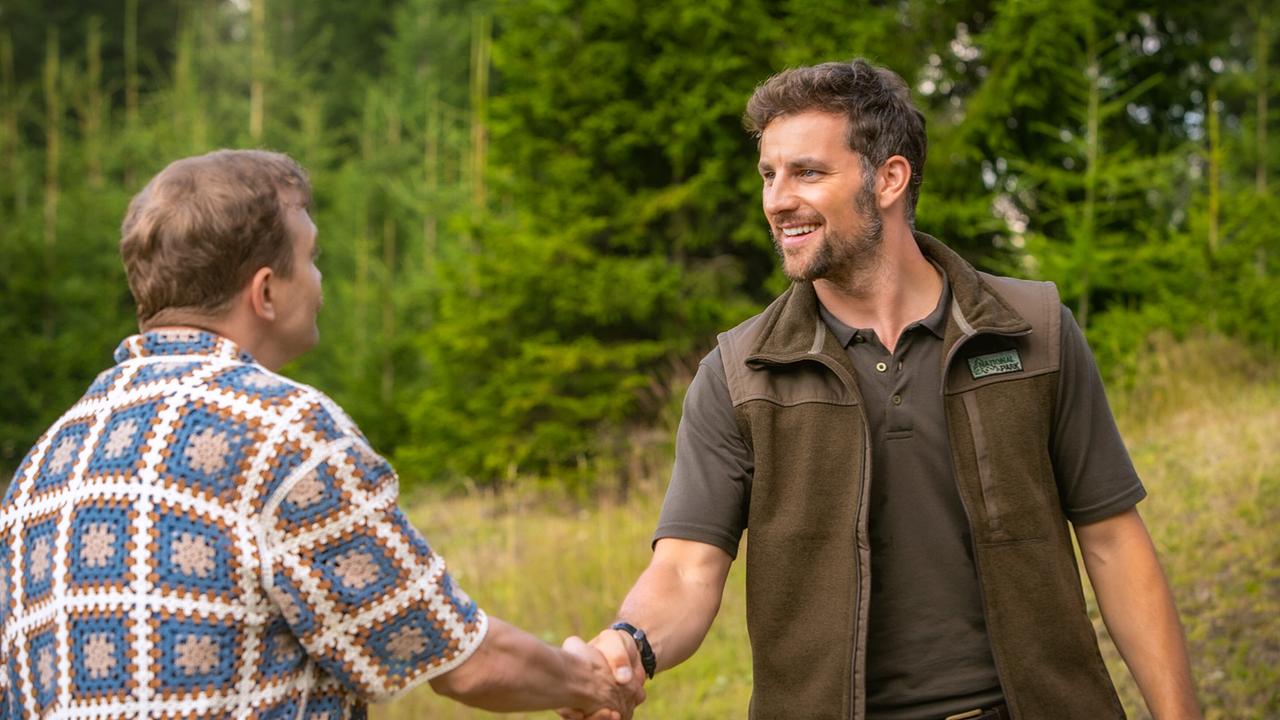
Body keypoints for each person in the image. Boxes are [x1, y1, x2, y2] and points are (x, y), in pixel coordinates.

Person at [575, 61, 1202, 719]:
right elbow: (684, 570)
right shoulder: (741, 376)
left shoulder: (1033, 334)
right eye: (768, 174)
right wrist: (629, 645)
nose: (776, 199)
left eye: (807, 173)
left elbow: (1113, 544)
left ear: (889, 180)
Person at [0, 150, 637, 720]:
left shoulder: (43, 467)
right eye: (312, 258)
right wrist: (588, 683)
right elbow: (463, 661)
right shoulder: (281, 432)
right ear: (267, 291)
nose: (322, 281)